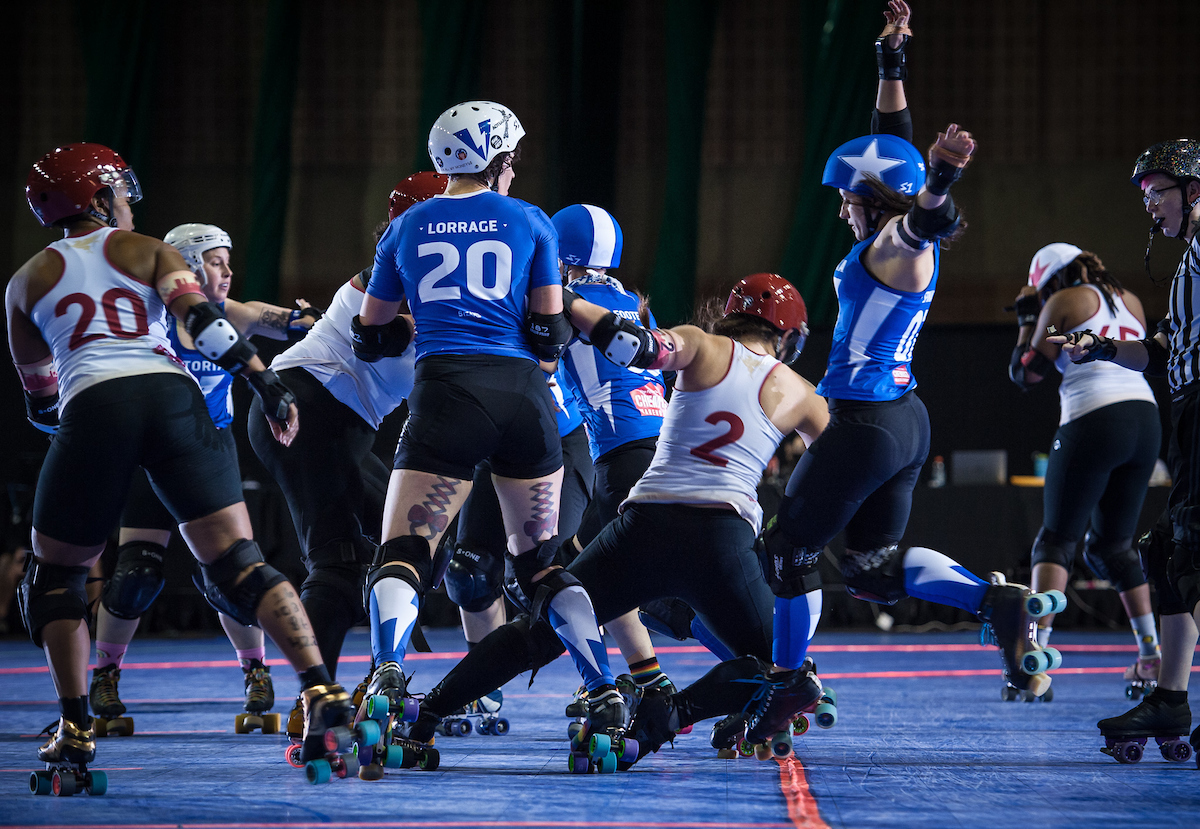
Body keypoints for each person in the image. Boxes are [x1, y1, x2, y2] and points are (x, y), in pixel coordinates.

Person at [754, 0, 1061, 747]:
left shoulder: (896, 241)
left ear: (872, 202)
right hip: (901, 420)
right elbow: (891, 145)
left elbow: (923, 220)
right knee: (870, 566)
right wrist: (892, 63)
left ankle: (784, 689)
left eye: (844, 200)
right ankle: (997, 602)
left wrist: (944, 180)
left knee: (788, 554)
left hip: (860, 427)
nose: (839, 212)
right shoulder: (886, 222)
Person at [9, 143, 353, 791]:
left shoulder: (24, 281)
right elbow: (206, 322)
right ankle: (322, 689)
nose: (131, 204)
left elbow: (42, 400)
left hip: (93, 409)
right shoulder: (146, 251)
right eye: (123, 192)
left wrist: (88, 445)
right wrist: (266, 387)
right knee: (243, 563)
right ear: (99, 196)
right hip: (172, 402)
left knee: (57, 578)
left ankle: (75, 726)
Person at [403, 273, 825, 771]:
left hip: (644, 526)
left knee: (540, 630)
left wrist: (569, 299)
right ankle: (672, 713)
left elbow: (631, 345)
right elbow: (840, 479)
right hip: (722, 539)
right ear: (790, 336)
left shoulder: (699, 343)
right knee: (789, 674)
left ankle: (425, 716)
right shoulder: (803, 393)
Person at [355, 101, 625, 739]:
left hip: (447, 396)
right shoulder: (530, 220)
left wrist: (413, 325)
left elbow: (370, 336)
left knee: (404, 554)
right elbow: (549, 332)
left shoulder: (408, 226)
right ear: (501, 161)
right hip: (527, 401)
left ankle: (387, 674)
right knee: (541, 565)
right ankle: (603, 689)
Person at [90, 222, 321, 735]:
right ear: (188, 266)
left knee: (236, 572)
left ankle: (255, 673)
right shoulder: (151, 318)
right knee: (136, 576)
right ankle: (104, 675)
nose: (228, 270)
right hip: (151, 455)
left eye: (228, 260)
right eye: (216, 261)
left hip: (207, 454)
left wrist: (305, 319)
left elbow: (285, 321)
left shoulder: (231, 313)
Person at [249, 174, 444, 684]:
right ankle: (315, 699)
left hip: (338, 423)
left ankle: (382, 675)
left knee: (414, 546)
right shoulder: (394, 273)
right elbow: (373, 338)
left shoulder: (428, 279)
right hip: (305, 409)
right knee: (336, 565)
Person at [1051, 137, 1200, 761]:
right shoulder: (1189, 259)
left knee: (1192, 553)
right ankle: (1169, 698)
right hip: (1187, 412)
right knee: (1167, 552)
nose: (1151, 208)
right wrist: (1103, 347)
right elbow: (1160, 351)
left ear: (1194, 191)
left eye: (1158, 194)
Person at [1008, 243, 1161, 700]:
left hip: (1094, 417)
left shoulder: (1062, 302)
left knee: (1055, 540)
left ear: (1050, 281)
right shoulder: (1130, 300)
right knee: (1112, 547)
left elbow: (1025, 373)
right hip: (1146, 421)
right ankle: (1150, 651)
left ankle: (1035, 658)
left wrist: (1025, 320)